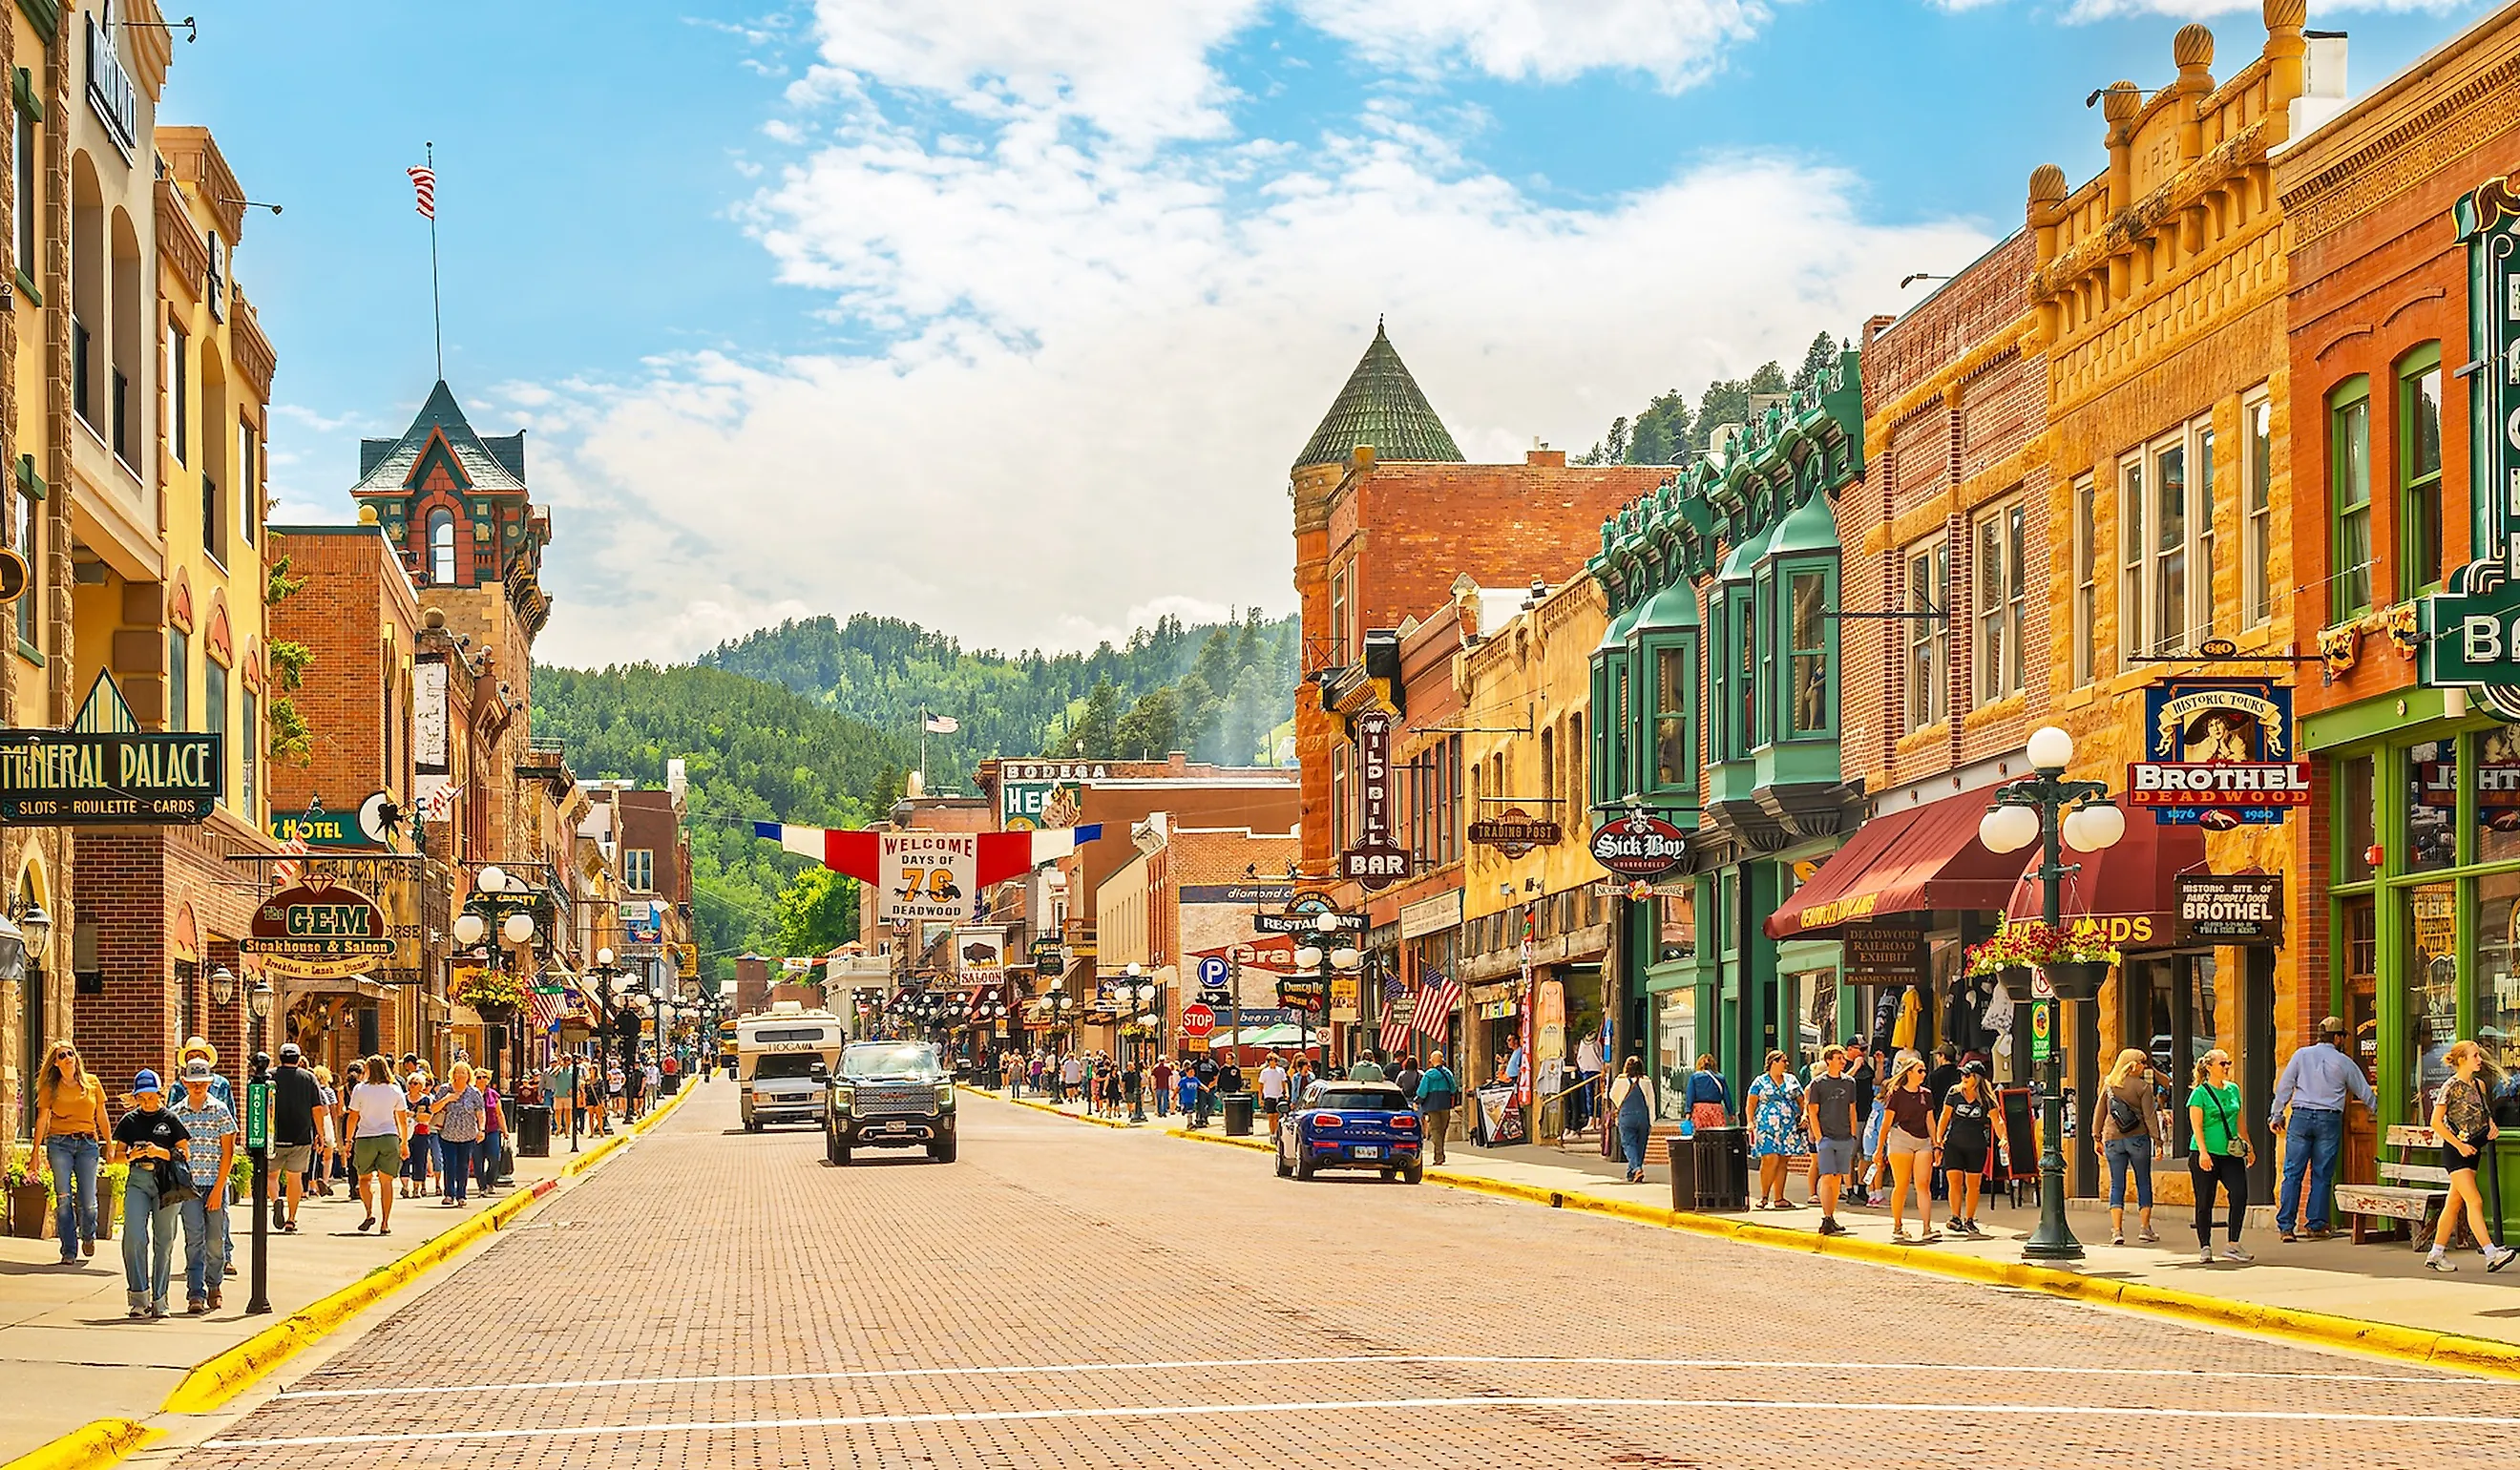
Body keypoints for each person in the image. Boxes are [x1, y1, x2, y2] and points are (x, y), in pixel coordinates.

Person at [2270, 1015, 2378, 1243]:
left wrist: (2277, 1114)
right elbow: (2364, 1091)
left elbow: (2284, 1087)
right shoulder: (2344, 1062)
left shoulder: (2301, 1055)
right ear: (2337, 1038)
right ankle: (2316, 1225)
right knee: (2322, 1174)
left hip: (2300, 1117)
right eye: (2342, 1036)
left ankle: (2286, 1228)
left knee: (2292, 1173)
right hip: (2329, 1119)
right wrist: (2377, 1112)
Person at [2426, 1040, 2519, 1272]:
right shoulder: (2450, 1086)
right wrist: (2459, 1145)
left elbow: (2483, 1113)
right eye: (2475, 1055)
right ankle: (2491, 1254)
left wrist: (2491, 1125)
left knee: (2453, 1203)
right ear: (2462, 1060)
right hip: (2456, 1152)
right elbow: (2435, 1122)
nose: (2479, 1059)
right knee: (2474, 1201)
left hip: (2474, 1150)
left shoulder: (2479, 1085)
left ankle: (2435, 1254)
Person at [109, 1070, 189, 1318]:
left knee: (164, 1240)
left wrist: (158, 1151)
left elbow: (184, 1154)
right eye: (142, 1098)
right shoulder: (129, 1121)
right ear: (135, 1098)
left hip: (166, 1181)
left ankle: (160, 1300)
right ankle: (138, 1298)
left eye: (151, 1097)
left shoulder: (170, 1119)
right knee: (134, 1236)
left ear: (159, 1094)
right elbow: (115, 1156)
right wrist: (131, 1155)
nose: (147, 1102)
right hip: (138, 1179)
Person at [169, 1060, 238, 1313]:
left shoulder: (220, 1110)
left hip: (214, 1184)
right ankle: (195, 1293)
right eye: (192, 1082)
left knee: (215, 1240)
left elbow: (228, 1152)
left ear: (210, 1082)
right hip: (190, 1187)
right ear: (184, 1083)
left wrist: (219, 1188)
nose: (197, 1087)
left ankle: (214, 1285)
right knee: (194, 1239)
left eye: (202, 1082)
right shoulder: (177, 1113)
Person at [32, 1040, 107, 1265]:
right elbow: (42, 1120)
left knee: (89, 1201)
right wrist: (35, 1154)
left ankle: (88, 1235)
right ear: (55, 1063)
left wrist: (110, 1144)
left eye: (70, 1054)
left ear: (76, 1057)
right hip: (59, 1144)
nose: (67, 1058)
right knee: (63, 1198)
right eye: (62, 1056)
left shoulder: (92, 1083)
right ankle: (69, 1250)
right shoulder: (50, 1088)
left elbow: (101, 1115)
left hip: (87, 1144)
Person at [2187, 1049, 2255, 1265]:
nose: (2226, 1067)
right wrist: (2203, 1152)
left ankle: (2233, 1244)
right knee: (2205, 1200)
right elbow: (2197, 1126)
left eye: (2228, 1063)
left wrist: (2249, 1146)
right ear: (2209, 1067)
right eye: (2222, 1064)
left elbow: (2239, 1121)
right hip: (2206, 1153)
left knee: (2239, 1193)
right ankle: (2205, 1246)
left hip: (2230, 1153)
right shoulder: (2200, 1094)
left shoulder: (2233, 1089)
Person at [2095, 1047, 2164, 1247]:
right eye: (2142, 1062)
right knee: (2143, 1181)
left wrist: (2096, 1137)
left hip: (2112, 1138)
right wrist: (2158, 1141)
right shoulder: (2143, 1087)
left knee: (2117, 1183)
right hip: (2138, 1138)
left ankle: (2117, 1230)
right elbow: (2150, 1117)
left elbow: (2099, 1112)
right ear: (2133, 1065)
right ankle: (2145, 1228)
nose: (2144, 1066)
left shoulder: (2109, 1084)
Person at [1934, 1060, 2006, 1239]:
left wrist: (2004, 1138)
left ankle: (1970, 1219)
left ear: (1977, 1078)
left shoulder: (1986, 1098)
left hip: (1976, 1146)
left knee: (1973, 1185)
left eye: (1968, 1075)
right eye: (1963, 1074)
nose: (1964, 1078)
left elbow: (1997, 1120)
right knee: (1954, 1181)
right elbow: (1945, 1115)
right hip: (1954, 1144)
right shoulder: (1954, 1092)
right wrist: (1938, 1138)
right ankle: (1955, 1217)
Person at [1876, 1054, 1939, 1242]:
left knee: (1923, 1184)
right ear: (1909, 1072)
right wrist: (1879, 1149)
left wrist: (1936, 1143)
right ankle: (1897, 1226)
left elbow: (1930, 1121)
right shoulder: (1896, 1094)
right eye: (1920, 1071)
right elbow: (1886, 1123)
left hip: (1923, 1141)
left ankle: (1927, 1228)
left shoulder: (1926, 1094)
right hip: (1900, 1138)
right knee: (1901, 1184)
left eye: (1924, 1071)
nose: (1923, 1074)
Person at [346, 1052, 410, 1235]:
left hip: (365, 1137)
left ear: (367, 1069)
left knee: (364, 1179)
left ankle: (369, 1213)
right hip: (389, 1136)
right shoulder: (394, 1089)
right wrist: (404, 1142)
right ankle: (385, 1223)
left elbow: (353, 1117)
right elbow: (402, 1120)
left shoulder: (360, 1089)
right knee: (386, 1182)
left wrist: (348, 1140)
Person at [1802, 1044, 1859, 1237]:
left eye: (1843, 1058)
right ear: (1828, 1061)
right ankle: (1826, 1218)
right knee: (1827, 1176)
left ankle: (1831, 1217)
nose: (1843, 1061)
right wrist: (1819, 1138)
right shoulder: (1818, 1084)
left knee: (1837, 1178)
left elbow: (1852, 1109)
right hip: (1826, 1137)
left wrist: (1853, 1133)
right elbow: (1812, 1112)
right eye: (1839, 1058)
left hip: (1845, 1136)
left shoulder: (1849, 1083)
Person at [269, 1043, 320, 1233]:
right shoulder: (308, 1078)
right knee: (295, 1177)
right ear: (298, 1059)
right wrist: (320, 1134)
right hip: (301, 1135)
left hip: (274, 1136)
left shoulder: (269, 1076)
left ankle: (276, 1200)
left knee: (271, 1176)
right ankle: (291, 1218)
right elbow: (317, 1109)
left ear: (280, 1057)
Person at [1747, 1050, 1804, 1209]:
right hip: (1766, 1125)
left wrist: (1804, 1116)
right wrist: (1750, 1121)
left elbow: (1802, 1100)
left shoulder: (1791, 1080)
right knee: (1770, 1158)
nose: (1786, 1064)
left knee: (1783, 1160)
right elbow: (1751, 1103)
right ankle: (1764, 1196)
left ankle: (1779, 1197)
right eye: (1783, 1061)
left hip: (1788, 1126)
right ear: (1773, 1062)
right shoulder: (1760, 1081)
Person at [430, 1063, 486, 1207]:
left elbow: (480, 1112)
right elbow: (433, 1108)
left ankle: (461, 1195)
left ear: (468, 1076)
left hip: (468, 1135)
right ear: (453, 1074)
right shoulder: (445, 1089)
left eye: (463, 1073)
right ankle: (449, 1194)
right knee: (449, 1164)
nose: (460, 1075)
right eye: (458, 1072)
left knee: (463, 1165)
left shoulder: (474, 1092)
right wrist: (447, 1099)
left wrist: (481, 1129)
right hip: (447, 1134)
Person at [1607, 1057, 1655, 1183]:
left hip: (1626, 1116)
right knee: (1640, 1145)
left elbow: (1612, 1094)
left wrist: (1619, 1103)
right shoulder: (1646, 1081)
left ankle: (1637, 1169)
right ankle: (1631, 1172)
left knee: (1629, 1144)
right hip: (1642, 1116)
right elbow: (1651, 1102)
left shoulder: (1620, 1080)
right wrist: (1652, 1121)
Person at [1415, 1050, 1460, 1166]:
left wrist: (1417, 1101)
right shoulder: (1448, 1073)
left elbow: (1422, 1091)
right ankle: (1440, 1154)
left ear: (1432, 1061)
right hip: (1445, 1104)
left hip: (1432, 1105)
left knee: (1435, 1130)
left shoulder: (1429, 1075)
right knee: (1442, 1130)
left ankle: (1439, 1156)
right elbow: (1453, 1088)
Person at [403, 1071, 437, 1198]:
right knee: (404, 1159)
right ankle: (405, 1187)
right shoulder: (403, 1098)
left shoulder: (426, 1100)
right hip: (405, 1133)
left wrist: (413, 1115)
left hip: (421, 1133)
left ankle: (416, 1189)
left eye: (416, 1083)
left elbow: (427, 1117)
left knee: (420, 1160)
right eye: (411, 1083)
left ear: (421, 1085)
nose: (412, 1085)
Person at [477, 1076, 506, 1195]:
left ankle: (490, 1182)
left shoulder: (493, 1094)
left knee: (494, 1158)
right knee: (478, 1161)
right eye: (479, 1077)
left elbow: (499, 1113)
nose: (482, 1079)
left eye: (485, 1077)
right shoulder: (471, 1094)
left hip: (492, 1130)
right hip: (476, 1132)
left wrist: (505, 1130)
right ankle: (482, 1186)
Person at [1686, 1055, 1729, 1131]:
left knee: (1701, 1134)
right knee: (1717, 1134)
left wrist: (1688, 1111)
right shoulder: (1720, 1078)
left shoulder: (1694, 1077)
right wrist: (1730, 1112)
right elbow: (1726, 1096)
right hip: (1716, 1109)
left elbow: (1690, 1095)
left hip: (1700, 1110)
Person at [1257, 1053, 1289, 1140]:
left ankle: (1277, 1133)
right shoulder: (1264, 1072)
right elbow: (1260, 1086)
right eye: (1271, 1061)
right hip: (1269, 1096)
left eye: (1274, 1061)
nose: (1273, 1062)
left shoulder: (1281, 1071)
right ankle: (1272, 1134)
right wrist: (1260, 1099)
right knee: (1271, 1117)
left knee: (1277, 1117)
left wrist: (1286, 1092)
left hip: (1279, 1096)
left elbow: (1284, 1082)